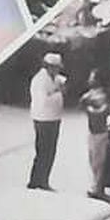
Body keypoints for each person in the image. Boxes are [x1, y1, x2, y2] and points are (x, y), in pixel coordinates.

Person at [27, 54, 66, 191]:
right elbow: (43, 101)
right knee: (43, 150)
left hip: (54, 117)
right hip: (43, 118)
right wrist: (58, 92)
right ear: (49, 67)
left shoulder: (54, 79)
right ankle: (35, 180)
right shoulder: (40, 80)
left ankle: (43, 179)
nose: (57, 71)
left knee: (50, 151)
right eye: (55, 68)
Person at [82, 85, 110, 200]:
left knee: (98, 163)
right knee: (93, 161)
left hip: (100, 135)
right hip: (92, 135)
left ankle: (98, 189)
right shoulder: (94, 106)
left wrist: (89, 97)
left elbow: (94, 109)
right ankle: (96, 186)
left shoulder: (103, 108)